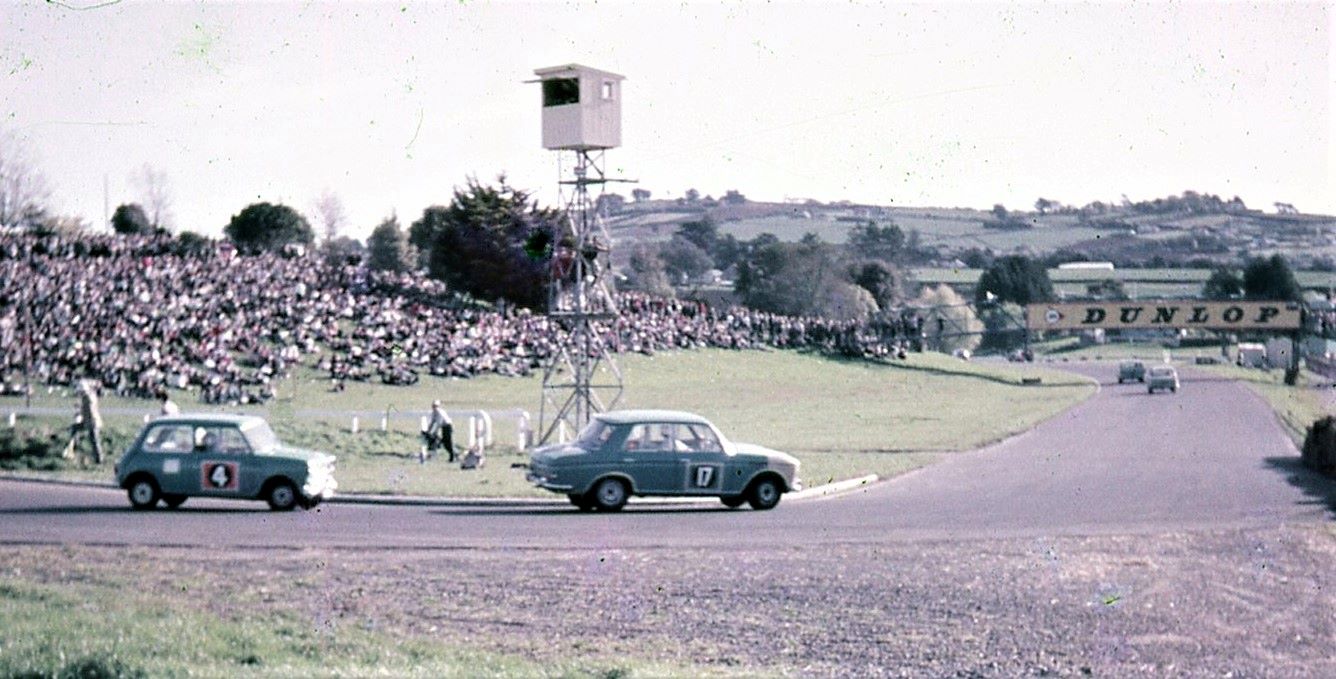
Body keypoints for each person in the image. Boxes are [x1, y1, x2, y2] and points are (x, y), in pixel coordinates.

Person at [65, 380, 105, 465]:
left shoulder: (88, 398)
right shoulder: (88, 396)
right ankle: (74, 448)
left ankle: (99, 459)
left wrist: (79, 414)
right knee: (75, 429)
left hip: (93, 422)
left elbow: (88, 411)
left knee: (94, 440)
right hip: (88, 421)